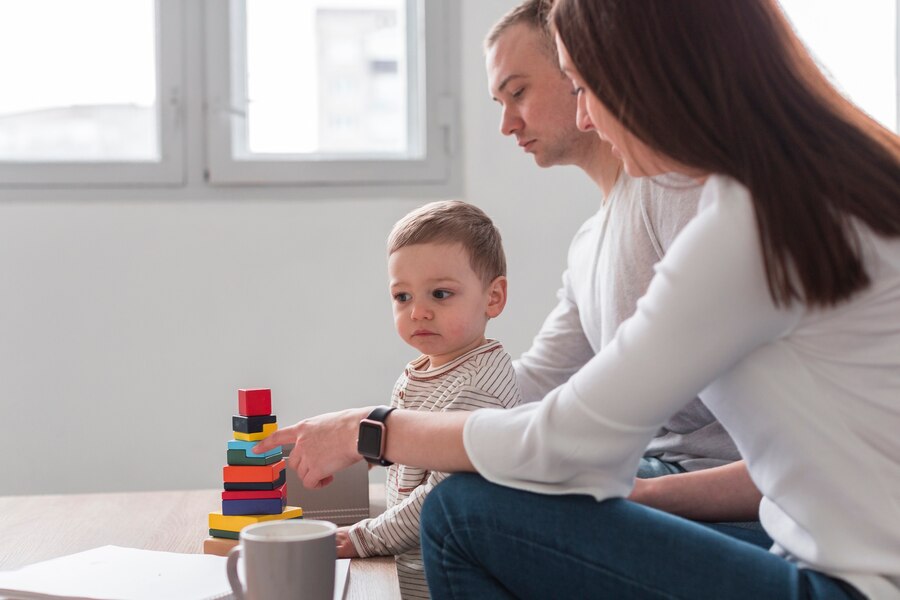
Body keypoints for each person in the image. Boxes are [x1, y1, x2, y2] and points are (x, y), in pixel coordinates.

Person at [257, 0, 900, 597]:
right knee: (486, 484)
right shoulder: (809, 184)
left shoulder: (749, 219)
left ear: (645, 73)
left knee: (463, 515)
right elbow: (541, 401)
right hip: (815, 558)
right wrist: (393, 416)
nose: (587, 114)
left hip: (842, 583)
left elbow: (572, 443)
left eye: (584, 85)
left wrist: (371, 432)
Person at [484, 0, 765, 526]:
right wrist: (426, 389)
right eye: (498, 101)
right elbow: (530, 385)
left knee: (471, 508)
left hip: (718, 492)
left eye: (517, 92)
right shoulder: (588, 243)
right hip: (652, 470)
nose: (506, 124)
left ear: (578, 70)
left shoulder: (678, 192)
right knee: (470, 484)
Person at [332, 200, 520, 599]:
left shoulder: (478, 386)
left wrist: (362, 538)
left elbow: (437, 499)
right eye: (402, 297)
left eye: (440, 294)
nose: (418, 311)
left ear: (493, 298)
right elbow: (405, 460)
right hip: (411, 562)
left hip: (444, 577)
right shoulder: (426, 369)